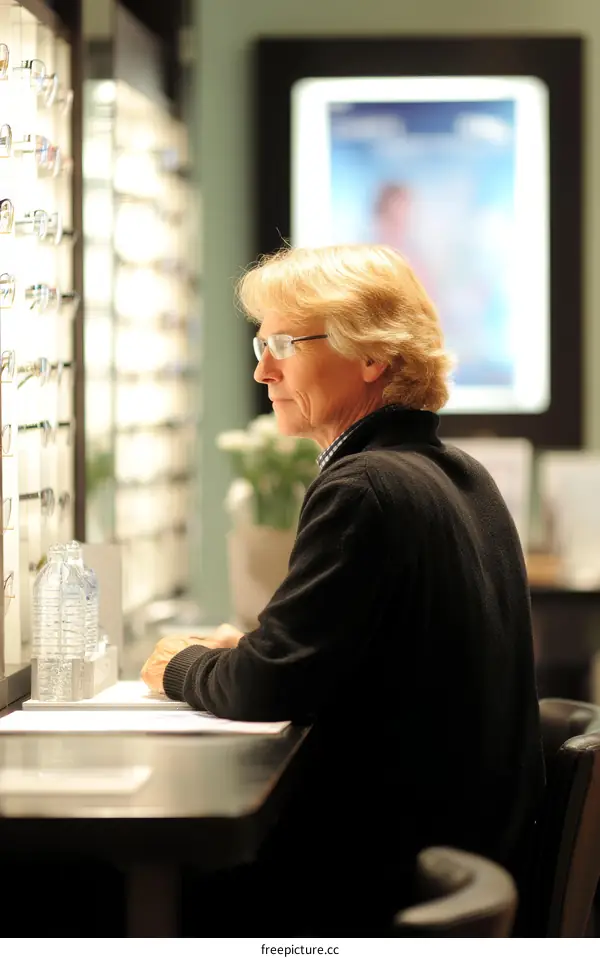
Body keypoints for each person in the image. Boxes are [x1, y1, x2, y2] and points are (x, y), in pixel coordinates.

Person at [141, 244, 545, 934]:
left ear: (370, 357)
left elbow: (265, 686)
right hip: (464, 862)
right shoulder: (460, 475)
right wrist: (253, 650)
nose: (262, 368)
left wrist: (176, 666)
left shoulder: (363, 486)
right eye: (259, 342)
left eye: (283, 344)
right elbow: (372, 655)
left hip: (370, 886)